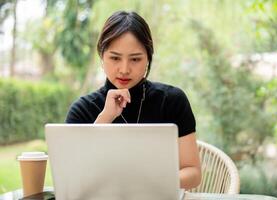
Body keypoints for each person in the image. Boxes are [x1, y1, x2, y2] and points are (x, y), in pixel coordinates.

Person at [65, 10, 201, 190]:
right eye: (115, 58)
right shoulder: (82, 110)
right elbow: (73, 176)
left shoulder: (172, 101)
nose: (124, 69)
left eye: (135, 59)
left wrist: (149, 185)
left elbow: (192, 172)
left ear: (148, 59)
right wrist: (105, 118)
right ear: (102, 57)